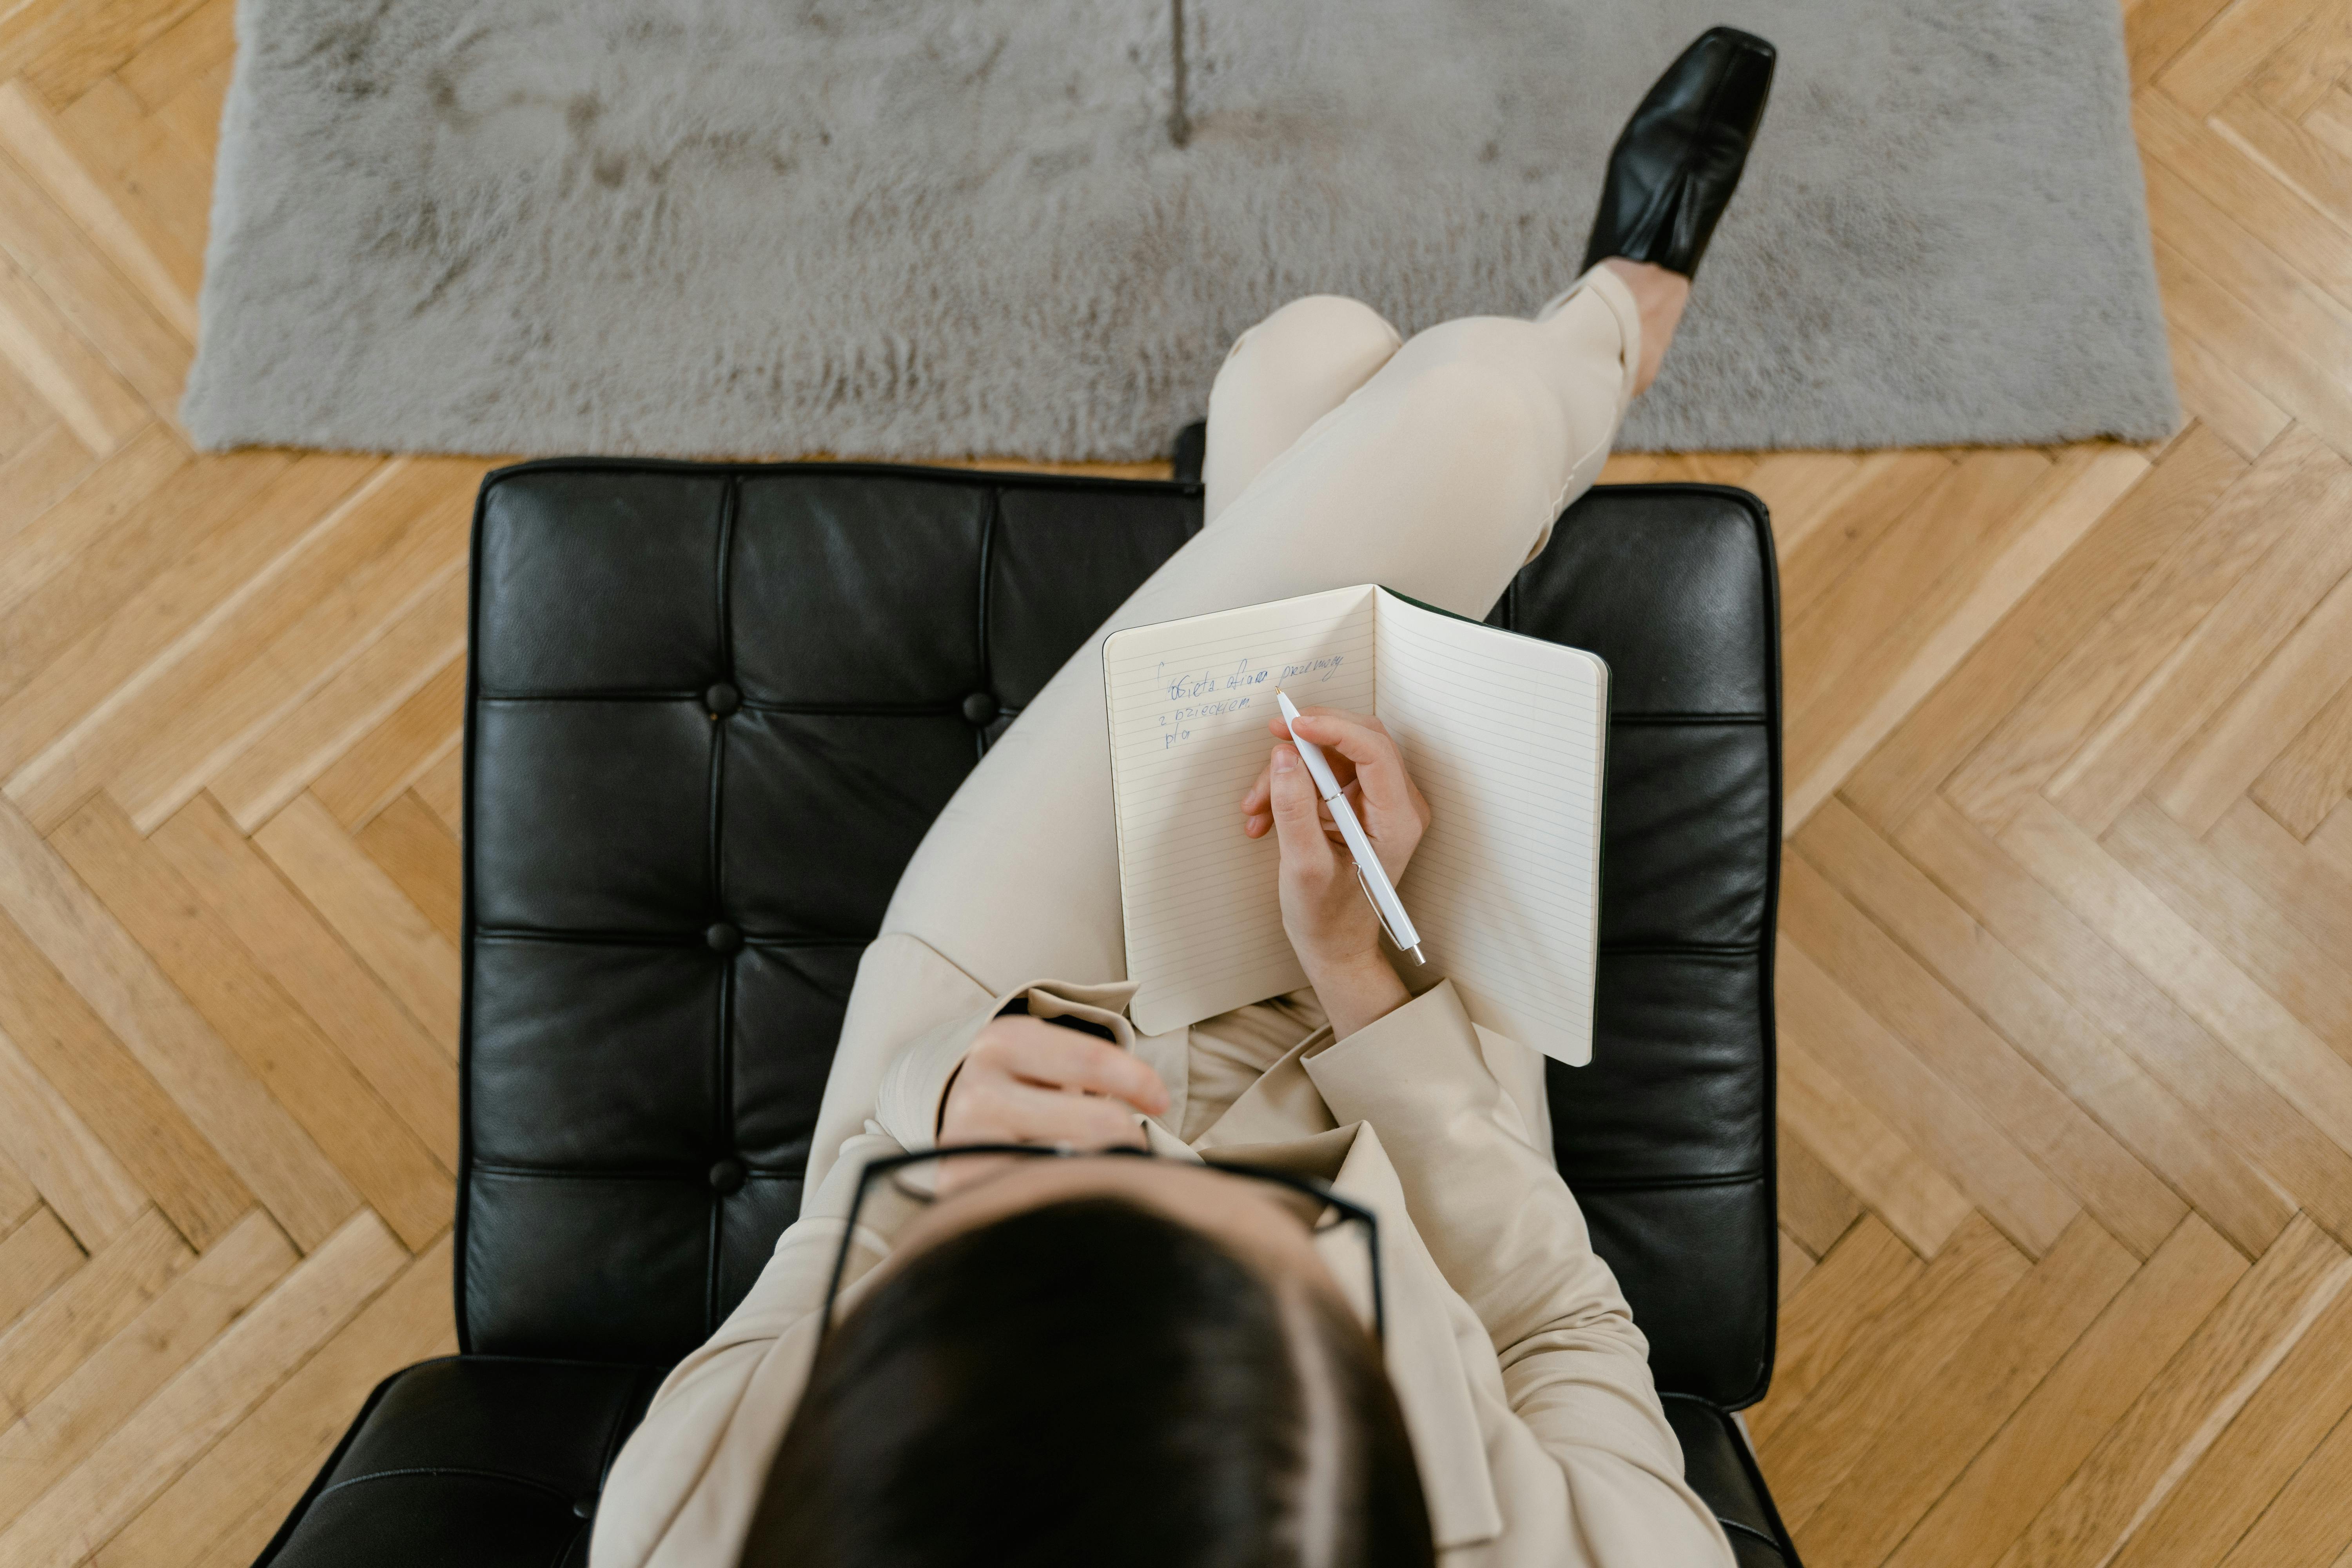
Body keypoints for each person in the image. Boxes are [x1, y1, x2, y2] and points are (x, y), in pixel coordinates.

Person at [590, 26, 1777, 1568]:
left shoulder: (688, 1535)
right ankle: (1621, 312)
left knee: (1319, 360)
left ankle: (1295, 478)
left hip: (1046, 1008)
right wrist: (1375, 979)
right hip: (1405, 1055)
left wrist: (925, 1139)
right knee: (1412, 389)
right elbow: (1552, 1323)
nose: (1172, 1168)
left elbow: (822, 1244)